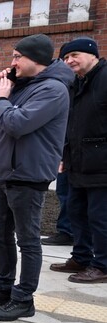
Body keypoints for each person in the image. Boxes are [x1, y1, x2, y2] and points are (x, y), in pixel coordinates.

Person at [0, 34, 73, 321]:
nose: (12, 61)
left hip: (28, 174)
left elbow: (16, 123)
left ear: (35, 59)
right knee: (0, 234)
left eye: (17, 57)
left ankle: (24, 298)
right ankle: (3, 287)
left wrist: (3, 98)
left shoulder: (53, 90)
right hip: (5, 172)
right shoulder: (25, 85)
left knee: (27, 240)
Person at [49, 37, 107, 284]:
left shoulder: (104, 78)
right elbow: (70, 124)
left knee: (100, 216)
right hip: (77, 161)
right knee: (75, 211)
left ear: (92, 55)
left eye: (75, 55)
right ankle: (81, 256)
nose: (70, 61)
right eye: (66, 58)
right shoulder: (75, 83)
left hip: (102, 164)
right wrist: (64, 154)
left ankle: (102, 265)